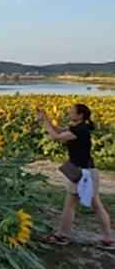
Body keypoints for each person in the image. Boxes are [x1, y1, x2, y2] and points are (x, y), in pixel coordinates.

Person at [38, 103, 112, 247]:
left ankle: (62, 235)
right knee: (96, 204)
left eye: (72, 112)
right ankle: (108, 237)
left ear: (80, 115)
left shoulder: (79, 131)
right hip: (89, 171)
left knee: (70, 205)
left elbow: (55, 137)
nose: (69, 113)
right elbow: (58, 130)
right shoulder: (80, 128)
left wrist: (45, 122)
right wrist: (45, 118)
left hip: (82, 173)